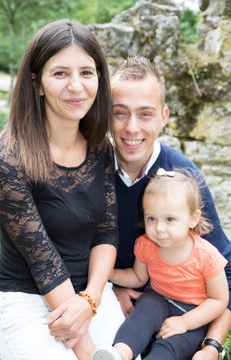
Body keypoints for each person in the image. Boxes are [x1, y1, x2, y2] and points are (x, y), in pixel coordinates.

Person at [0, 19, 125, 360]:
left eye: (86, 72)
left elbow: (107, 231)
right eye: (61, 73)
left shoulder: (100, 147)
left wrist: (91, 299)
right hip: (32, 300)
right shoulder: (7, 158)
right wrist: (87, 350)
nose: (77, 87)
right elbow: (43, 261)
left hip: (91, 295)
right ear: (37, 83)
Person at [110, 56, 231, 360]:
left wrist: (212, 346)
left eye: (145, 114)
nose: (131, 127)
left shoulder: (183, 178)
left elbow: (225, 273)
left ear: (164, 116)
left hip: (182, 319)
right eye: (119, 113)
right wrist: (109, 287)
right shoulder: (85, 171)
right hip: (118, 308)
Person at [92, 168, 229, 360]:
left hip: (193, 314)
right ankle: (121, 352)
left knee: (170, 345)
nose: (159, 228)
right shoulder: (146, 244)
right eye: (152, 218)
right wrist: (109, 273)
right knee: (144, 310)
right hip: (159, 299)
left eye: (170, 219)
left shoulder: (206, 255)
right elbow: (138, 276)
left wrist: (185, 322)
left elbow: (219, 301)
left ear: (193, 218)